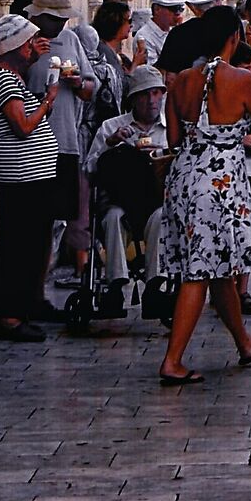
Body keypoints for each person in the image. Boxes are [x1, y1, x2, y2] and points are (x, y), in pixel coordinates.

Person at [154, 7, 251, 383]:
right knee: (200, 271)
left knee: (218, 266)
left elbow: (173, 138)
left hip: (184, 176)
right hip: (220, 181)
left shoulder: (182, 82)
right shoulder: (240, 79)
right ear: (234, 37)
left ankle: (244, 341)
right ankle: (172, 360)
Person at [0, 14, 63, 338]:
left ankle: (23, 306)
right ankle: (9, 315)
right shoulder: (2, 79)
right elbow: (23, 126)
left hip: (31, 175)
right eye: (28, 43)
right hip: (19, 176)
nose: (32, 48)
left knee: (30, 242)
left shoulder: (14, 77)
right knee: (17, 244)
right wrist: (47, 101)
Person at [26, 0, 101, 289]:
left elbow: (91, 88)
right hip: (29, 145)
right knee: (31, 224)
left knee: (54, 223)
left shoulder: (70, 40)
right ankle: (25, 295)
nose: (61, 24)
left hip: (64, 142)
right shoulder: (23, 40)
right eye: (55, 19)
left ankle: (39, 293)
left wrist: (78, 82)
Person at [86, 65, 171, 317]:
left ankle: (155, 285)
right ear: (133, 98)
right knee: (112, 217)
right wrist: (111, 143)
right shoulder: (111, 126)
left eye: (157, 93)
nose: (152, 100)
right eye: (146, 94)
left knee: (162, 217)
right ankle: (116, 285)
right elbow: (90, 167)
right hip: (119, 198)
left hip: (155, 199)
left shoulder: (169, 129)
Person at [131, 0, 184, 67]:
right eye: (173, 10)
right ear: (157, 9)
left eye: (180, 10)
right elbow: (152, 71)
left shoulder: (172, 31)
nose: (177, 15)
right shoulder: (144, 37)